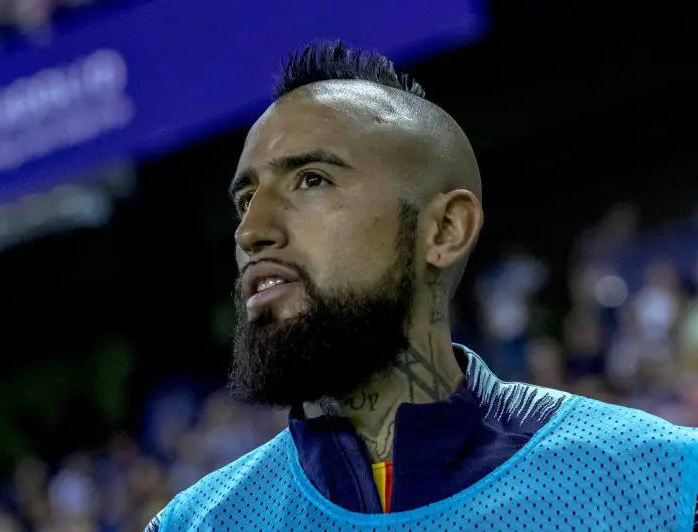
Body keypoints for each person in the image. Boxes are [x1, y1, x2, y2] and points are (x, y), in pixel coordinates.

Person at [146, 41, 698, 531]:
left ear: (444, 230)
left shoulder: (665, 486)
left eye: (311, 179)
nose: (251, 231)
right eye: (245, 200)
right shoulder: (194, 523)